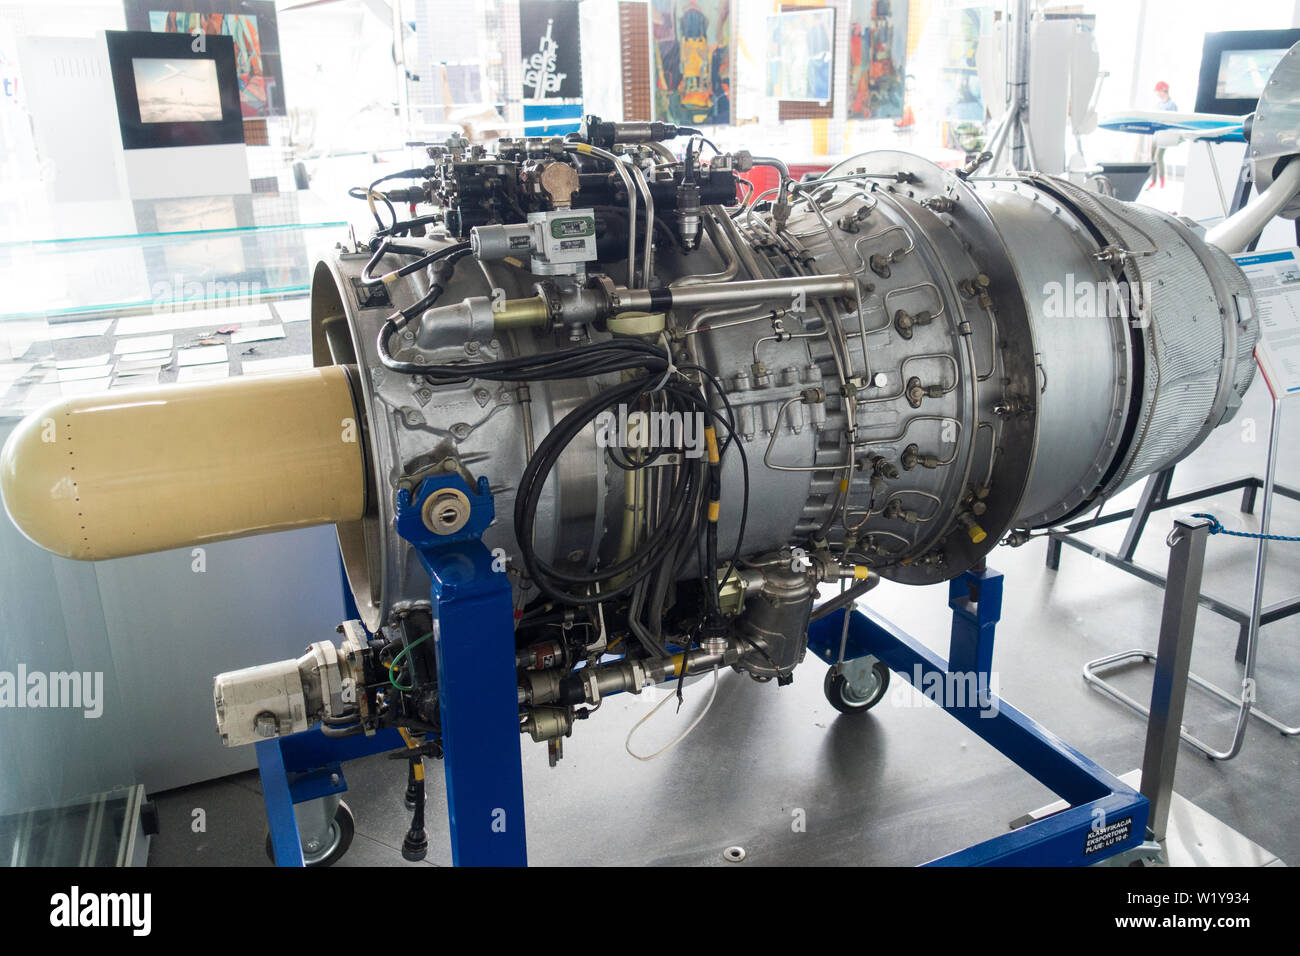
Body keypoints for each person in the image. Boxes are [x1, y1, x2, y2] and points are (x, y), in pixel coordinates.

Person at [1146, 81, 1178, 190]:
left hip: (1166, 135)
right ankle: (1153, 181)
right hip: (1156, 134)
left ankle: (1162, 181)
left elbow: (1173, 121)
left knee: (1158, 157)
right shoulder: (1158, 104)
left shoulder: (1172, 105)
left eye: (1158, 91)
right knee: (1152, 157)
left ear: (1164, 90)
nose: (1158, 94)